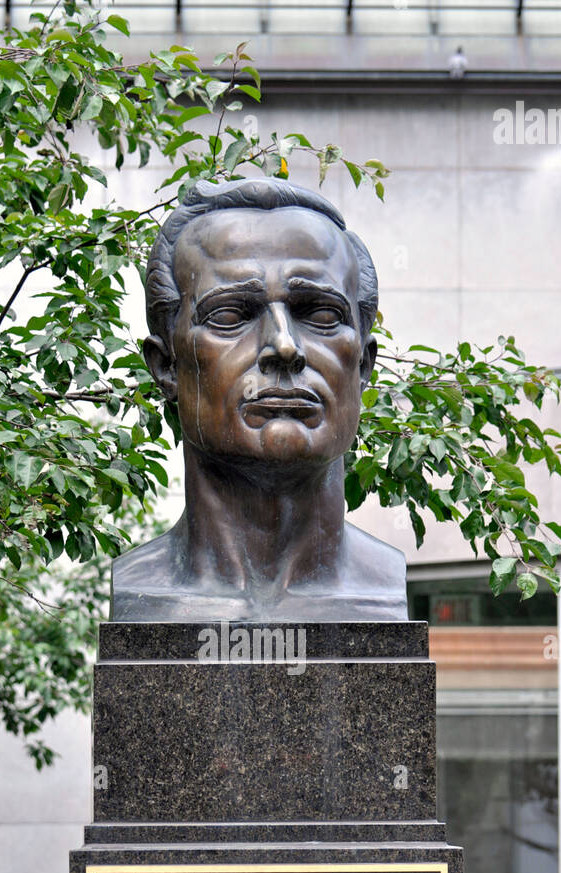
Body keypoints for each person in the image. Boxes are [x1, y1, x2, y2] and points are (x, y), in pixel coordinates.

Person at [110, 177, 408, 621]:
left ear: (362, 365)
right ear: (166, 366)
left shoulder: (384, 586)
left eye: (322, 315)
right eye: (230, 315)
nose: (285, 347)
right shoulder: (139, 590)